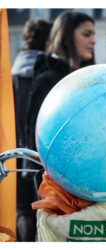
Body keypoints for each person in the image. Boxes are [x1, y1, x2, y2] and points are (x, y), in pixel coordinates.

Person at [23, 11, 96, 240]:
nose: (94, 40)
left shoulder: (90, 79)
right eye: (86, 33)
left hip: (89, 192)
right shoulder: (48, 80)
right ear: (66, 37)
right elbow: (36, 142)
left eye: (94, 34)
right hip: (59, 197)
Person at [11, 18, 52, 242]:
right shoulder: (46, 74)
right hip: (42, 152)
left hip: (13, 151)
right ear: (48, 43)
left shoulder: (10, 74)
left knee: (21, 209)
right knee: (45, 208)